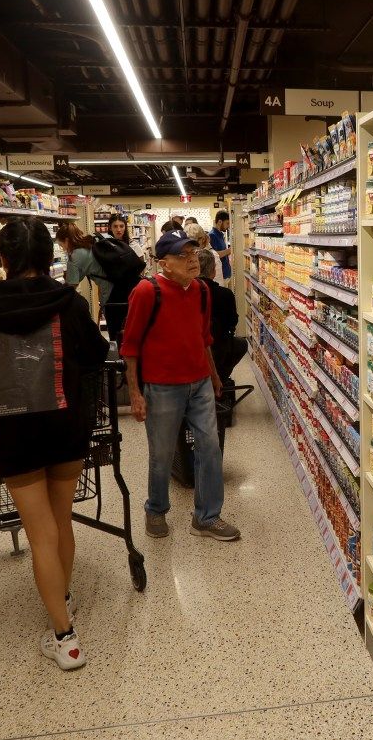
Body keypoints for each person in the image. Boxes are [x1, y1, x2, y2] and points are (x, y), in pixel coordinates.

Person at [0, 217, 109, 671]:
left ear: (3, 258)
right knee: (61, 522)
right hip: (66, 425)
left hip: (14, 432)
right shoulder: (69, 302)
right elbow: (96, 355)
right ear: (48, 256)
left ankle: (65, 637)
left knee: (39, 531)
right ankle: (62, 596)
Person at [120, 229, 241, 542]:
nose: (191, 260)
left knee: (210, 448)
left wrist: (214, 376)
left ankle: (206, 517)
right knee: (162, 454)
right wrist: (135, 393)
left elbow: (204, 338)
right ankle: (156, 509)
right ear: (164, 264)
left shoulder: (201, 290)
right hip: (162, 388)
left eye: (193, 253)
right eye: (182, 255)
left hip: (199, 383)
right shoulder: (147, 292)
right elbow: (130, 346)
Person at [198, 248, 247, 381]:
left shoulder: (187, 293)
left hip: (194, 352)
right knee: (242, 344)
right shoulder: (225, 294)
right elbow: (233, 322)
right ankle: (222, 377)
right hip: (220, 347)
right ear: (213, 271)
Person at [56, 222, 112, 319]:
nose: (63, 249)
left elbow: (71, 286)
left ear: (67, 241)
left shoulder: (74, 257)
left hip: (110, 295)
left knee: (115, 326)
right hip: (124, 285)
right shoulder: (91, 241)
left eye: (61, 245)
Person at [101, 213, 133, 342]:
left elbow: (139, 269)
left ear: (125, 227)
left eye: (121, 226)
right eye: (115, 226)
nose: (119, 229)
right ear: (110, 227)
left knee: (130, 326)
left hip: (130, 291)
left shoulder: (133, 245)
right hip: (111, 292)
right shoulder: (105, 245)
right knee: (114, 329)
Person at [210, 210, 232, 285]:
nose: (228, 226)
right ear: (220, 222)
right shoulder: (212, 235)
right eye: (227, 223)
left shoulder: (220, 235)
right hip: (220, 275)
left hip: (225, 273)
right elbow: (214, 255)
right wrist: (229, 250)